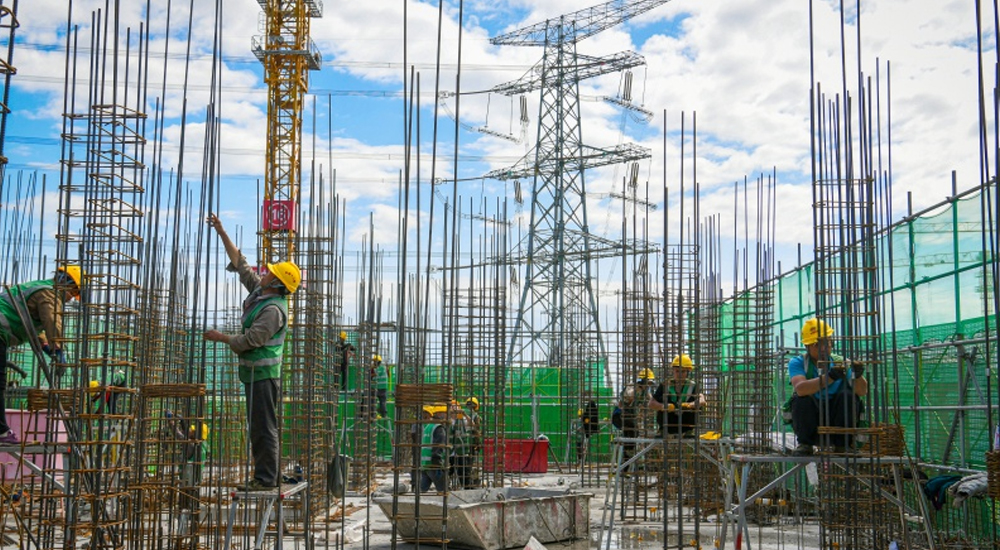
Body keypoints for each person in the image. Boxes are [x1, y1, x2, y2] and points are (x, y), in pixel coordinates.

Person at [203, 213, 301, 491]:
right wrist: (222, 232)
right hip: (253, 373)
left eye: (272, 272)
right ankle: (267, 474)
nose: (266, 271)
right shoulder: (262, 292)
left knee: (263, 427)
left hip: (264, 375)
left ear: (278, 282)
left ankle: (266, 478)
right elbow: (241, 264)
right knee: (260, 426)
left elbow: (252, 340)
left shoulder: (273, 310)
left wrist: (221, 338)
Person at [0, 265, 82, 444]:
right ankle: (1, 431)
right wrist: (58, 348)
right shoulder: (49, 293)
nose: (70, 300)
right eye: (73, 293)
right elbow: (52, 321)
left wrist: (45, 345)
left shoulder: (41, 288)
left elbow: (29, 321)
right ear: (67, 283)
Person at [787, 318, 868, 456]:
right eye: (817, 344)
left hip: (837, 417)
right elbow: (800, 389)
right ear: (807, 346)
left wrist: (858, 375)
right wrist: (829, 377)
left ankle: (843, 445)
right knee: (801, 399)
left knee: (848, 396)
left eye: (827, 343)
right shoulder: (799, 362)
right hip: (812, 418)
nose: (824, 348)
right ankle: (805, 444)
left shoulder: (840, 362)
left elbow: (862, 391)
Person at [649, 355, 707, 436]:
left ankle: (689, 431)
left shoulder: (692, 385)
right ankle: (662, 430)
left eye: (683, 371)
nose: (679, 374)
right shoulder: (665, 385)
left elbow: (702, 401)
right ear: (673, 371)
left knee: (695, 403)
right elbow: (651, 403)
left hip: (686, 423)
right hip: (668, 423)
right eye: (677, 371)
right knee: (664, 398)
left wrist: (689, 405)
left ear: (687, 372)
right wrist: (663, 406)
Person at [419, 404, 449, 492]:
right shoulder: (439, 428)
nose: (447, 416)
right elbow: (438, 447)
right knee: (443, 491)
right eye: (446, 413)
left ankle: (416, 505)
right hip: (434, 464)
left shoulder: (428, 426)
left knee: (422, 492)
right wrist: (439, 465)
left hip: (425, 464)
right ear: (440, 414)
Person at [372, 354, 389, 418]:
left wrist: (371, 378)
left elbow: (376, 377)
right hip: (384, 388)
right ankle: (383, 413)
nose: (373, 362)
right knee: (382, 402)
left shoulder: (379, 368)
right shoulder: (384, 367)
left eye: (374, 361)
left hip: (379, 388)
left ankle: (373, 413)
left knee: (372, 400)